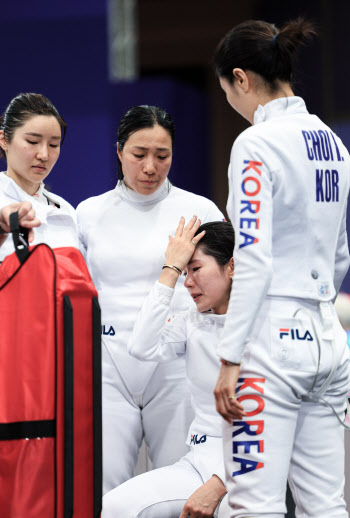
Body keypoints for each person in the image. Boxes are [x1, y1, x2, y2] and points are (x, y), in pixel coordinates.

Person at [212, 18, 350, 518]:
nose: (231, 101)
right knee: (326, 505)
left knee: (255, 505)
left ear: (242, 79)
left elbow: (254, 259)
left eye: (228, 90)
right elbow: (339, 257)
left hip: (271, 345)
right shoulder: (335, 146)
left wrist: (229, 359)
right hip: (329, 338)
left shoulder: (255, 144)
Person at [76, 105, 225, 494]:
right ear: (119, 150)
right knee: (106, 493)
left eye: (162, 156)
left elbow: (226, 288)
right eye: (139, 154)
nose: (150, 167)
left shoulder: (200, 211)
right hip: (109, 367)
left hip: (176, 367)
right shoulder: (88, 214)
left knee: (181, 489)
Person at [102, 217, 232, 518]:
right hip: (198, 460)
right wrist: (169, 270)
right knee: (114, 508)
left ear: (232, 267)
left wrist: (220, 481)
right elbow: (141, 346)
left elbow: (273, 422)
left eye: (196, 269)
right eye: (185, 272)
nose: (188, 282)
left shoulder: (264, 325)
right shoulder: (192, 320)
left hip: (247, 469)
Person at [0, 92, 78, 262]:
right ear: (4, 139)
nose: (44, 155)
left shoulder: (66, 211)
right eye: (33, 142)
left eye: (53, 145)